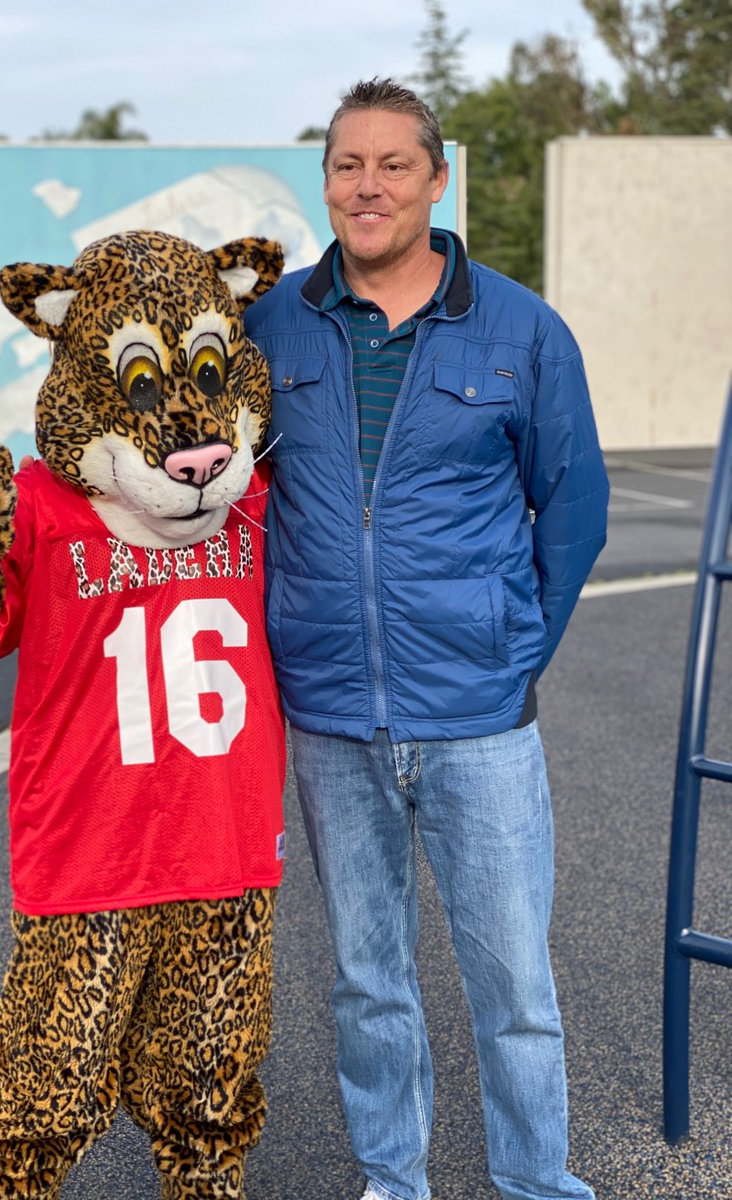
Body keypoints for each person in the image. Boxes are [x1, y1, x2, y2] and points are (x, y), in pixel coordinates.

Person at [244, 78, 609, 1200]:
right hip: (329, 717)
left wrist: (511, 651)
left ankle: (536, 1183)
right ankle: (392, 1181)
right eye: (347, 165)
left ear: (437, 180)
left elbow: (575, 507)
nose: (369, 186)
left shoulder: (521, 328)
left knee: (515, 990)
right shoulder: (270, 327)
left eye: (393, 165)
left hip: (478, 721)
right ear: (326, 183)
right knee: (367, 983)